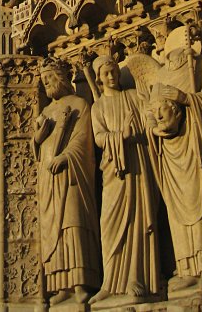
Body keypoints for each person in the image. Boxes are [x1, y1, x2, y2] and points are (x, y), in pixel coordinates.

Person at [146, 27, 202, 292]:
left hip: (195, 144)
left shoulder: (198, 63)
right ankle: (187, 267)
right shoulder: (159, 76)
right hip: (170, 151)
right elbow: (149, 112)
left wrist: (185, 99)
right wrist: (155, 127)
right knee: (176, 210)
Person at [89, 56, 159, 304]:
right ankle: (110, 282)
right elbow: (99, 137)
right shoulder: (97, 107)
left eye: (114, 72)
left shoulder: (132, 96)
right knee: (110, 223)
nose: (112, 77)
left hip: (137, 162)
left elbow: (149, 120)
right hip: (114, 168)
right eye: (106, 73)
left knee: (137, 219)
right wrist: (121, 136)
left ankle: (136, 278)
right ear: (98, 78)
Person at [32, 58, 100, 305]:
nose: (46, 83)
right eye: (43, 79)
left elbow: (84, 139)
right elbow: (37, 146)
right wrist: (37, 140)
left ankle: (81, 282)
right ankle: (61, 284)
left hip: (71, 174)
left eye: (49, 77)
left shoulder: (79, 104)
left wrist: (65, 157)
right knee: (53, 232)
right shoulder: (46, 111)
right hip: (47, 179)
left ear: (61, 77)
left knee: (73, 222)